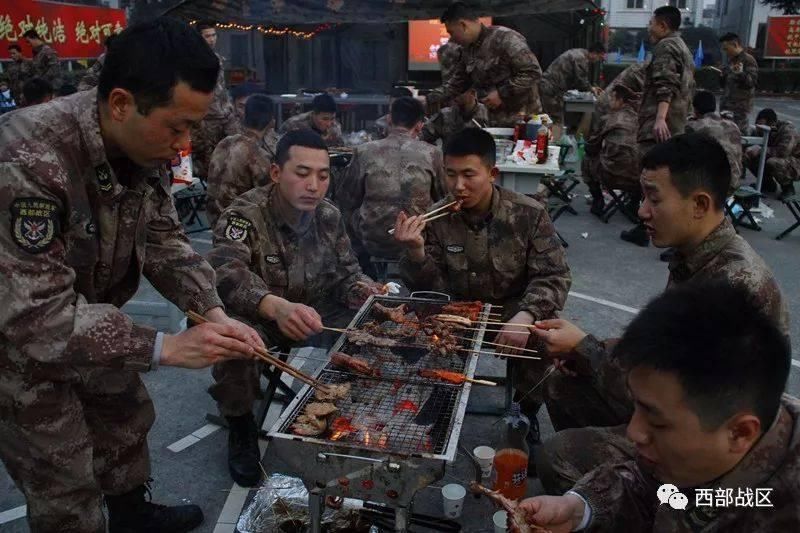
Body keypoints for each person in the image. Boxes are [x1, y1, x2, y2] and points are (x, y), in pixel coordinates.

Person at [0, 18, 265, 533]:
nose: (183, 144)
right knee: (64, 477)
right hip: (20, 345)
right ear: (121, 103)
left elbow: (165, 239)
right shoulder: (28, 157)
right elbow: (34, 315)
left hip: (95, 320)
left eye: (192, 128)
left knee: (123, 421)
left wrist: (212, 311)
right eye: (177, 127)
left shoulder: (143, 144)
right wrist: (166, 347)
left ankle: (130, 513)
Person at [531, 133, 789, 496]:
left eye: (654, 199)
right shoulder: (695, 257)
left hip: (709, 441)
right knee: (562, 385)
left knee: (559, 456)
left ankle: (642, 502)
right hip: (683, 406)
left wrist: (588, 348)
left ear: (699, 204)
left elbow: (683, 393)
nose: (641, 211)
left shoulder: (733, 283)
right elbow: (666, 351)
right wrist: (584, 350)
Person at [517, 283, 799, 533]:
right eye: (638, 406)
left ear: (739, 433)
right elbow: (652, 489)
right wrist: (579, 509)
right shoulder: (694, 450)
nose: (634, 431)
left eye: (658, 422)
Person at [206, 129, 383, 487]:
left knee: (372, 326)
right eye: (302, 173)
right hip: (263, 317)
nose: (314, 185)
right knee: (232, 339)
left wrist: (366, 291)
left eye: (322, 175)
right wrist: (274, 307)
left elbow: (347, 274)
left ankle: (349, 408)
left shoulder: (328, 215)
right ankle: (241, 427)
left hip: (316, 309)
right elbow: (225, 274)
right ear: (275, 173)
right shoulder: (244, 216)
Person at [394, 128, 571, 445]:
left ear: (492, 173)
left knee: (551, 343)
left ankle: (524, 409)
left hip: (512, 309)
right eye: (450, 174)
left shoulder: (528, 214)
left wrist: (527, 315)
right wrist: (416, 252)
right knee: (415, 334)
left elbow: (554, 275)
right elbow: (431, 289)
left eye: (468, 175)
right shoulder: (436, 217)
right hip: (457, 310)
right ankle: (442, 394)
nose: (458, 186)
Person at [337, 97, 445, 275]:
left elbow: (347, 199)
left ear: (389, 120)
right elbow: (443, 197)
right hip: (417, 241)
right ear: (419, 126)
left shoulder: (364, 151)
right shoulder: (433, 153)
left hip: (372, 243)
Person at [622, 5, 694, 247]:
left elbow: (666, 84)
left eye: (651, 23)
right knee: (668, 179)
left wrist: (660, 118)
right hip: (675, 123)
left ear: (663, 25)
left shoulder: (665, 46)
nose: (649, 27)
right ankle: (655, 229)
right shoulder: (682, 46)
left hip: (661, 125)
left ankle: (647, 229)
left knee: (653, 177)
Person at [424, 2, 543, 126]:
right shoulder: (468, 50)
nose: (451, 39)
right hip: (494, 122)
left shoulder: (505, 39)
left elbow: (533, 72)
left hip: (524, 121)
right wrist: (428, 99)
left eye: (451, 32)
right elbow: (457, 84)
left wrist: (502, 93)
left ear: (463, 25)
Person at [582, 63, 646, 215]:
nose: (609, 101)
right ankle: (633, 204)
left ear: (619, 100)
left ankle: (598, 200)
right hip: (639, 179)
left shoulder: (608, 119)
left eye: (611, 97)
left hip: (611, 176)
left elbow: (591, 147)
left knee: (587, 160)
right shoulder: (643, 120)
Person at [206, 94, 277, 228]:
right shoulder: (258, 155)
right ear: (271, 122)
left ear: (244, 116)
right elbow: (271, 198)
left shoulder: (224, 143)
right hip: (238, 221)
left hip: (214, 218)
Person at [189, 21, 240, 179]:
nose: (211, 39)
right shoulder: (193, 59)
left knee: (232, 152)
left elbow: (221, 86)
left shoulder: (216, 57)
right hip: (207, 117)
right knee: (209, 161)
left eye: (213, 35)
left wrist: (229, 107)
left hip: (225, 113)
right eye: (207, 36)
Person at [685, 90, 742, 191]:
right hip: (734, 182)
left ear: (695, 109)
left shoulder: (695, 126)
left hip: (712, 185)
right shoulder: (733, 125)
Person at [539, 43, 606, 124]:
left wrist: (591, 87)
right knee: (554, 119)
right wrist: (592, 89)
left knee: (549, 118)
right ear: (594, 53)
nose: (597, 61)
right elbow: (581, 80)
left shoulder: (580, 53)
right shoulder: (580, 58)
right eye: (599, 57)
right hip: (551, 88)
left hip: (551, 87)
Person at [744, 108, 800, 199]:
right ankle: (767, 184)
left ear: (772, 124)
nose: (759, 128)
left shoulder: (788, 130)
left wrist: (760, 150)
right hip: (783, 158)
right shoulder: (763, 130)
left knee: (773, 162)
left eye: (762, 125)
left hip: (795, 162)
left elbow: (783, 152)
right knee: (749, 156)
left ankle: (788, 188)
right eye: (758, 125)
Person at [719, 32, 758, 133]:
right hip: (727, 105)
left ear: (735, 45)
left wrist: (741, 74)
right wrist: (722, 75)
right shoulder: (730, 61)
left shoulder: (748, 60)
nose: (725, 52)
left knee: (738, 135)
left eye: (726, 49)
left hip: (739, 108)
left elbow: (751, 83)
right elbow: (726, 84)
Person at [421, 87, 489, 145]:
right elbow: (423, 136)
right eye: (453, 93)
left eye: (459, 93)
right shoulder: (445, 115)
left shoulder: (488, 113)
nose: (454, 96)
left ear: (472, 93)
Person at [279, 93, 345, 147]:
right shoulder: (294, 124)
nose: (329, 124)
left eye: (332, 118)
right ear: (313, 114)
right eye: (325, 119)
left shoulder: (335, 126)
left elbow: (342, 150)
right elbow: (281, 149)